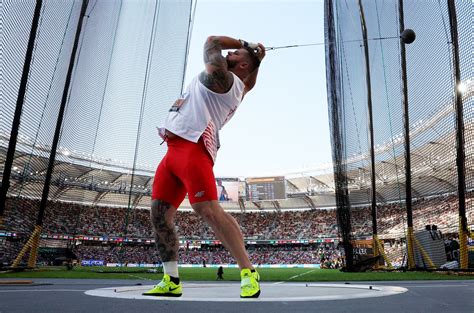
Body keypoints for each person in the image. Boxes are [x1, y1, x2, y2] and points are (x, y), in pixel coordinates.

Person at [143, 36, 265, 298]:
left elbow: (211, 41)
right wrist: (258, 61)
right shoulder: (240, 86)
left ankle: (248, 272)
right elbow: (250, 83)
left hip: (193, 145)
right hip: (174, 148)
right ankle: (171, 279)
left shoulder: (224, 80)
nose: (228, 53)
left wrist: (244, 42)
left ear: (242, 67)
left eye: (235, 54)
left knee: (207, 209)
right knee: (159, 215)